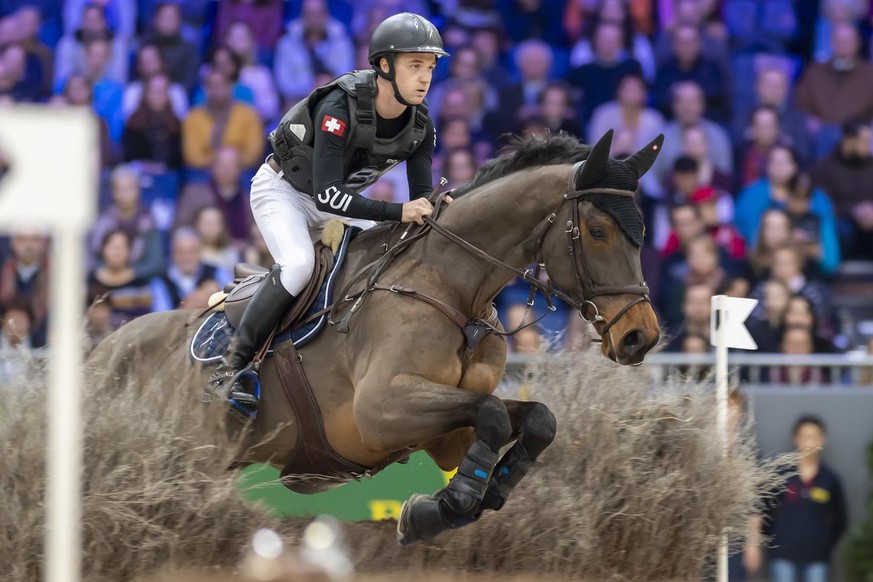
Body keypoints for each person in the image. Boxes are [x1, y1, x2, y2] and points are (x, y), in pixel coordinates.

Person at [208, 13, 450, 414]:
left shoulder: (421, 125)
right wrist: (399, 211)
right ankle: (234, 365)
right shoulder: (340, 106)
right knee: (299, 265)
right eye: (414, 66)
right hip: (283, 191)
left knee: (388, 255)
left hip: (340, 200)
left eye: (429, 67)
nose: (425, 78)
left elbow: (420, 203)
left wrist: (438, 207)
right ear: (385, 66)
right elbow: (327, 196)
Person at [763, 416, 847, 582]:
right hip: (783, 552)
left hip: (817, 555)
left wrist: (824, 542)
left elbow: (841, 518)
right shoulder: (782, 474)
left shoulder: (829, 478)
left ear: (822, 440)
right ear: (796, 439)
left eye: (814, 436)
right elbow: (766, 509)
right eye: (804, 436)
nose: (809, 442)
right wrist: (772, 538)